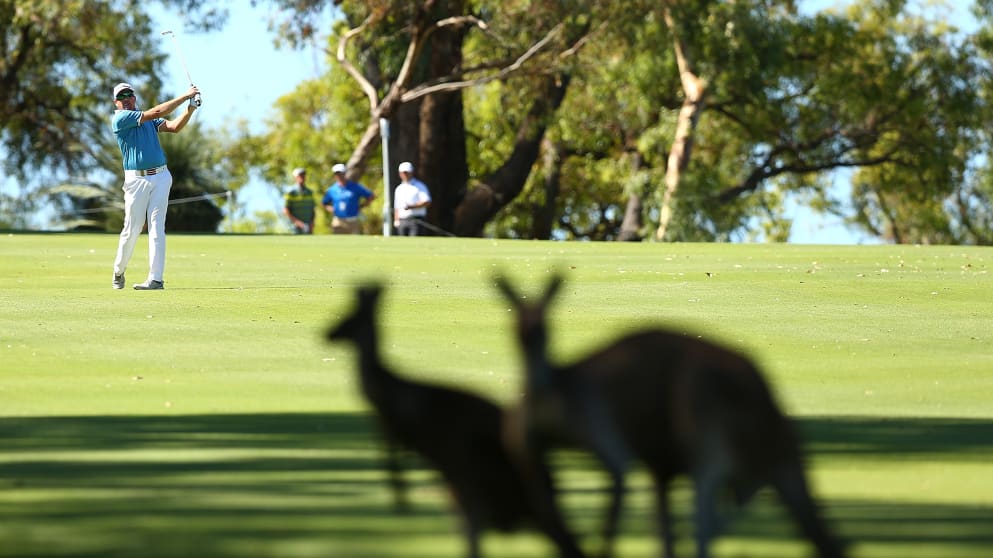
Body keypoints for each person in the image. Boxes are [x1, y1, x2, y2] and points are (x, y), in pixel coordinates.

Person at [110, 82, 199, 291]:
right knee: (132, 229)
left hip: (161, 176)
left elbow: (174, 127)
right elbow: (158, 111)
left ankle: (156, 279)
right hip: (136, 180)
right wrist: (186, 96)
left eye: (129, 94)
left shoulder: (146, 118)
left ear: (134, 97)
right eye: (122, 96)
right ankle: (118, 271)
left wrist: (191, 109)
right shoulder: (121, 118)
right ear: (116, 102)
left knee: (157, 226)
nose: (127, 98)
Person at [322, 163, 376, 234]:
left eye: (341, 173)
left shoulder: (354, 186)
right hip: (338, 221)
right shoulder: (332, 189)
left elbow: (371, 196)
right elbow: (324, 203)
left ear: (345, 173)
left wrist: (361, 206)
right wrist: (332, 209)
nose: (339, 176)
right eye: (337, 174)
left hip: (352, 221)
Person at [393, 161, 432, 236]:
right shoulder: (399, 188)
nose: (405, 175)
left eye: (407, 172)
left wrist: (412, 206)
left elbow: (427, 201)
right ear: (400, 173)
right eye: (403, 173)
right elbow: (396, 207)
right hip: (402, 221)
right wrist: (396, 220)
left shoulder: (420, 186)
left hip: (416, 220)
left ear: (411, 172)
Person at [284, 167, 316, 234]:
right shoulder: (290, 192)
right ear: (295, 177)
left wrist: (312, 222)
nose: (302, 177)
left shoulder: (310, 192)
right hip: (294, 228)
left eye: (303, 175)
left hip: (308, 227)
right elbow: (286, 211)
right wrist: (298, 223)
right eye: (299, 175)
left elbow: (313, 209)